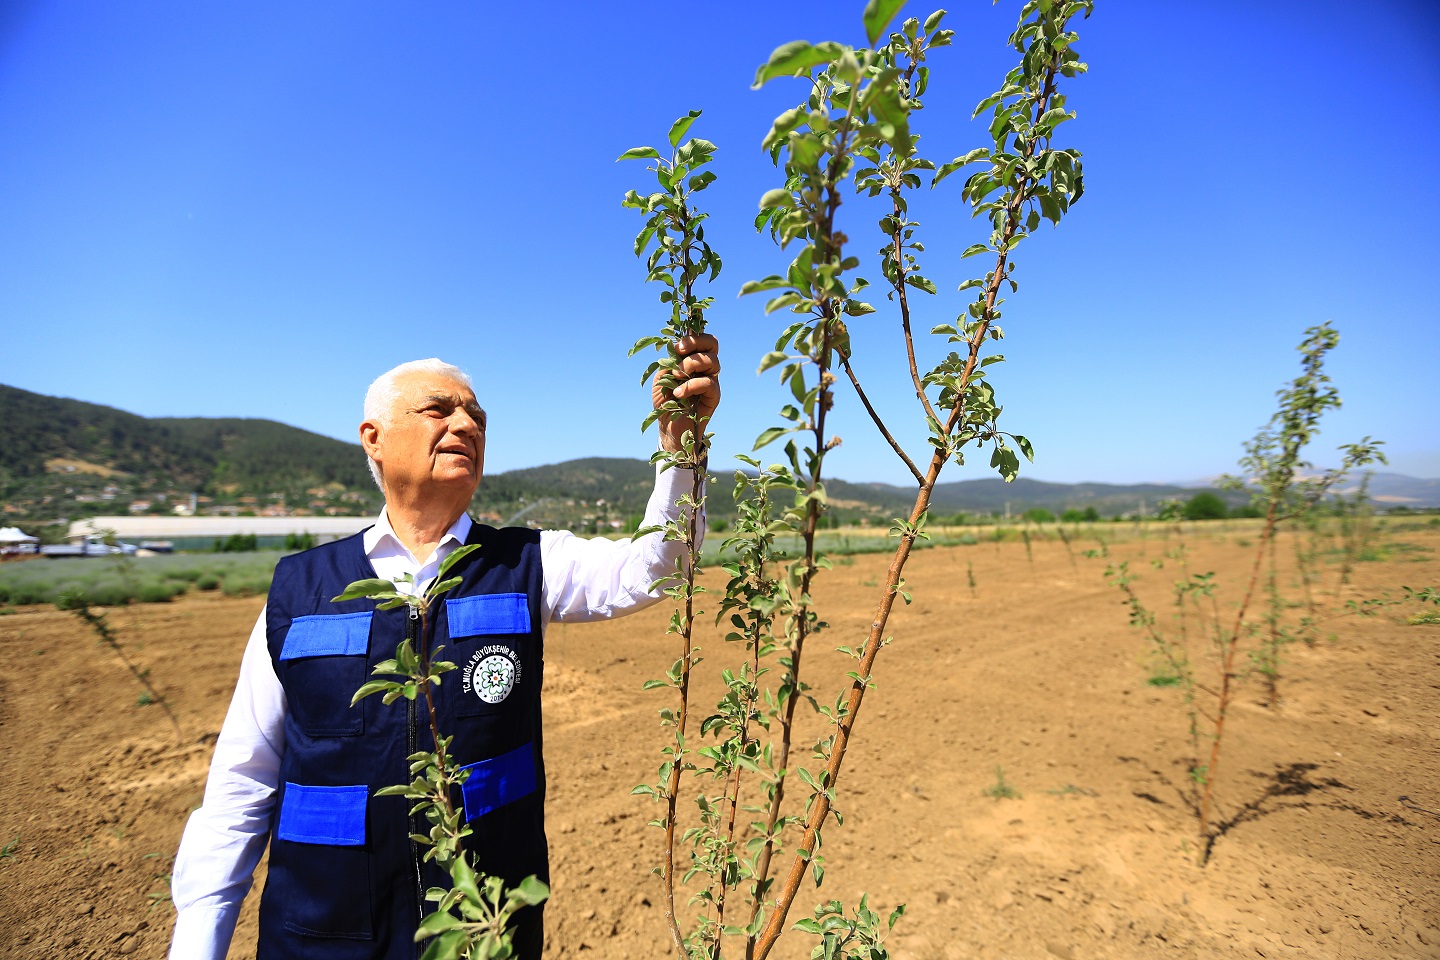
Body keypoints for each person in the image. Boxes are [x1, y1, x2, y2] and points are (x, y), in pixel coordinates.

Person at [169, 336, 720, 960]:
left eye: (476, 415)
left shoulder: (527, 562)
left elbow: (657, 567)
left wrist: (681, 449)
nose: (467, 424)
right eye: (439, 409)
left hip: (485, 938)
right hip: (323, 939)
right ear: (373, 438)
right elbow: (240, 787)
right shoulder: (300, 589)